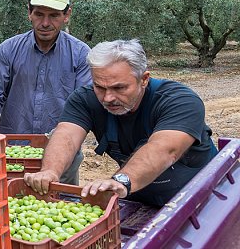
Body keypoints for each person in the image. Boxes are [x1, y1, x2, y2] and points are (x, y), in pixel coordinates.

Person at [24, 39, 218, 207]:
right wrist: (50, 171)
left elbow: (164, 149)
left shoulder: (179, 100)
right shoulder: (84, 99)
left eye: (119, 88)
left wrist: (120, 181)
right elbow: (66, 135)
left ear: (144, 79)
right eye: (99, 87)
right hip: (140, 197)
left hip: (205, 196)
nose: (108, 97)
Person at [0, 0, 91, 184]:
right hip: (13, 153)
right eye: (39, 14)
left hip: (63, 156)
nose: (45, 23)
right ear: (29, 13)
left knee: (60, 208)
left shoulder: (81, 54)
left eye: (54, 16)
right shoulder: (9, 49)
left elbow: (83, 109)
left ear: (67, 15)